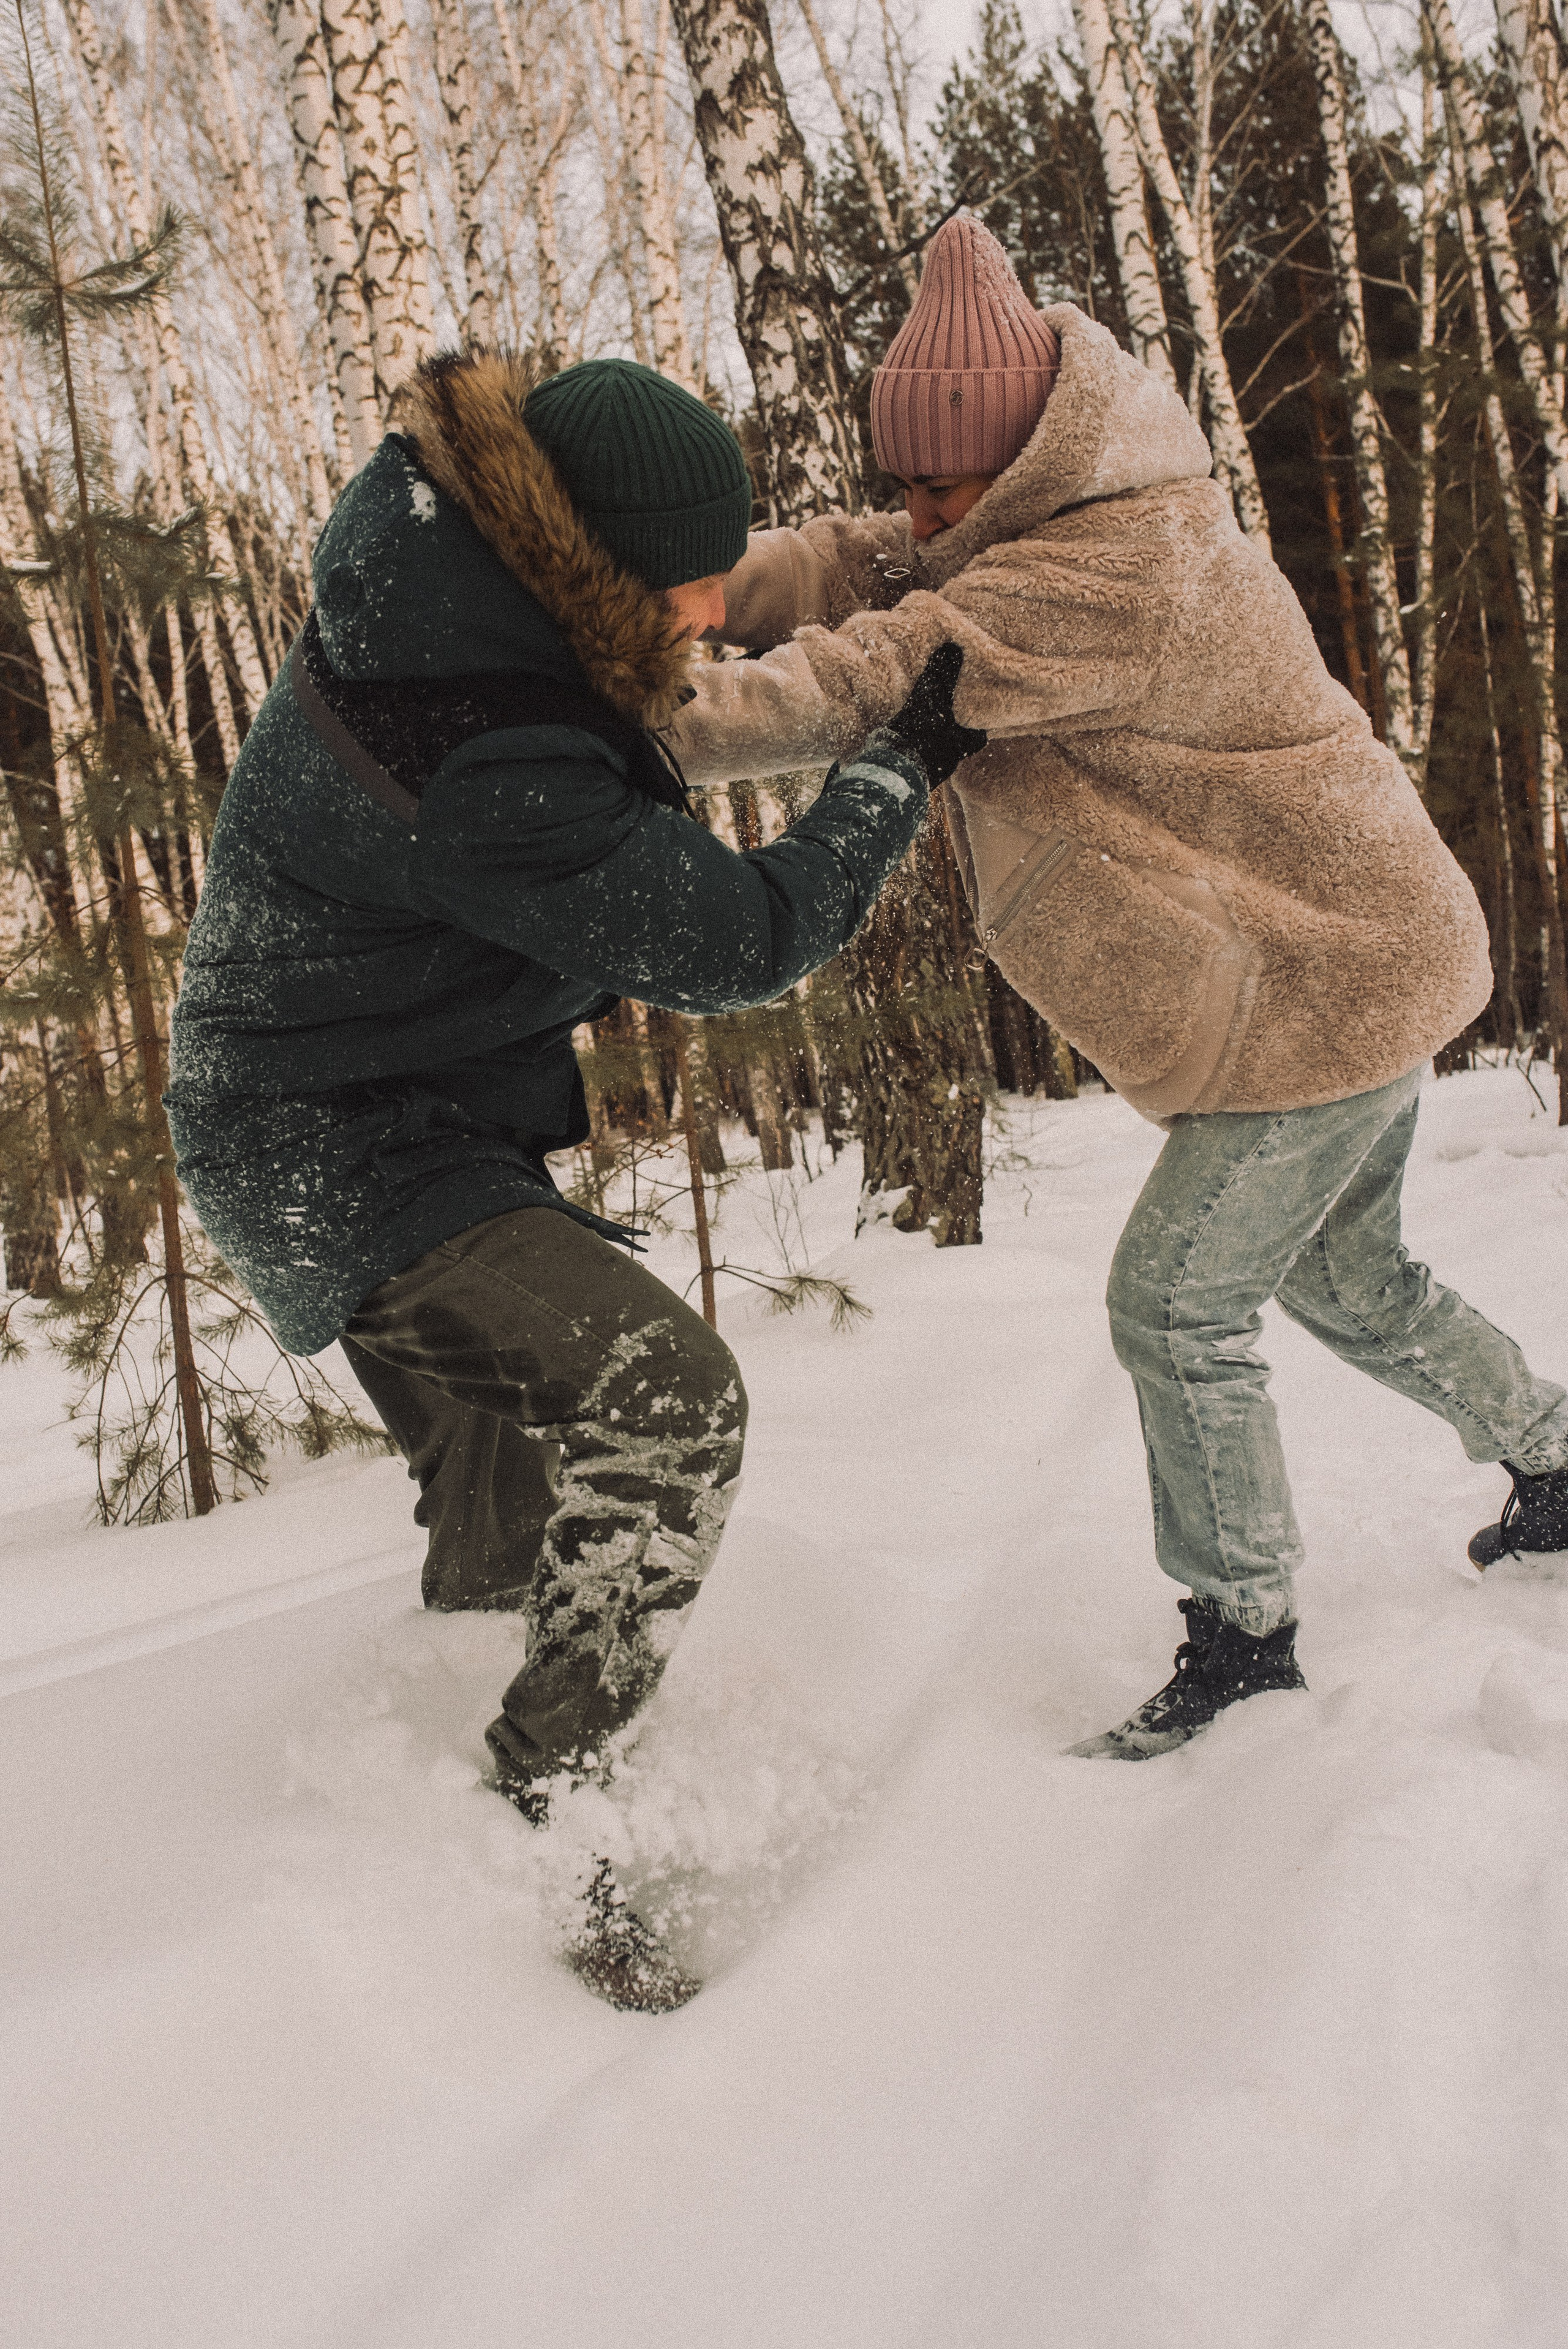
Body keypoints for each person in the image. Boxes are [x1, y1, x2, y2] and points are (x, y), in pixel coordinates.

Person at [669, 212, 1568, 1760]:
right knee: (1349, 1282)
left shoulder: (1117, 567)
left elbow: (871, 674)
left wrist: (628, 716)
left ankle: (1242, 1642)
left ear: (1022, 454)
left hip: (1324, 981)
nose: (916, 515)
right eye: (908, 484)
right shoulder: (1034, 508)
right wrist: (705, 588)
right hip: (1360, 951)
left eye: (942, 486)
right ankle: (1553, 1463)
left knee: (1173, 1303)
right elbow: (858, 561)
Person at [166, 350, 983, 2005]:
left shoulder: (451, 583)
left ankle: (459, 1866)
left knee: (502, 1531)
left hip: (381, 1101)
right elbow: (740, 939)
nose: (715, 609)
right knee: (664, 1397)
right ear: (588, 563)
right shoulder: (484, 741)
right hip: (331, 1139)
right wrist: (891, 775)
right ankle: (544, 1798)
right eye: (690, 580)